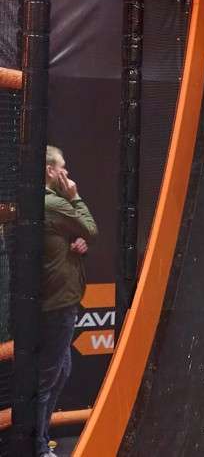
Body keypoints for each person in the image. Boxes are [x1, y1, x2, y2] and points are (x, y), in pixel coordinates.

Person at [39, 146, 96, 457]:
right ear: (51, 170)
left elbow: (80, 236)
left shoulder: (47, 205)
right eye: (64, 168)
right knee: (50, 376)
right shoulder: (55, 202)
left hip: (59, 298)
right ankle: (37, 446)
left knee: (61, 371)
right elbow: (91, 227)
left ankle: (40, 438)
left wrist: (75, 244)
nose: (67, 175)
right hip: (57, 301)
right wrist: (74, 196)